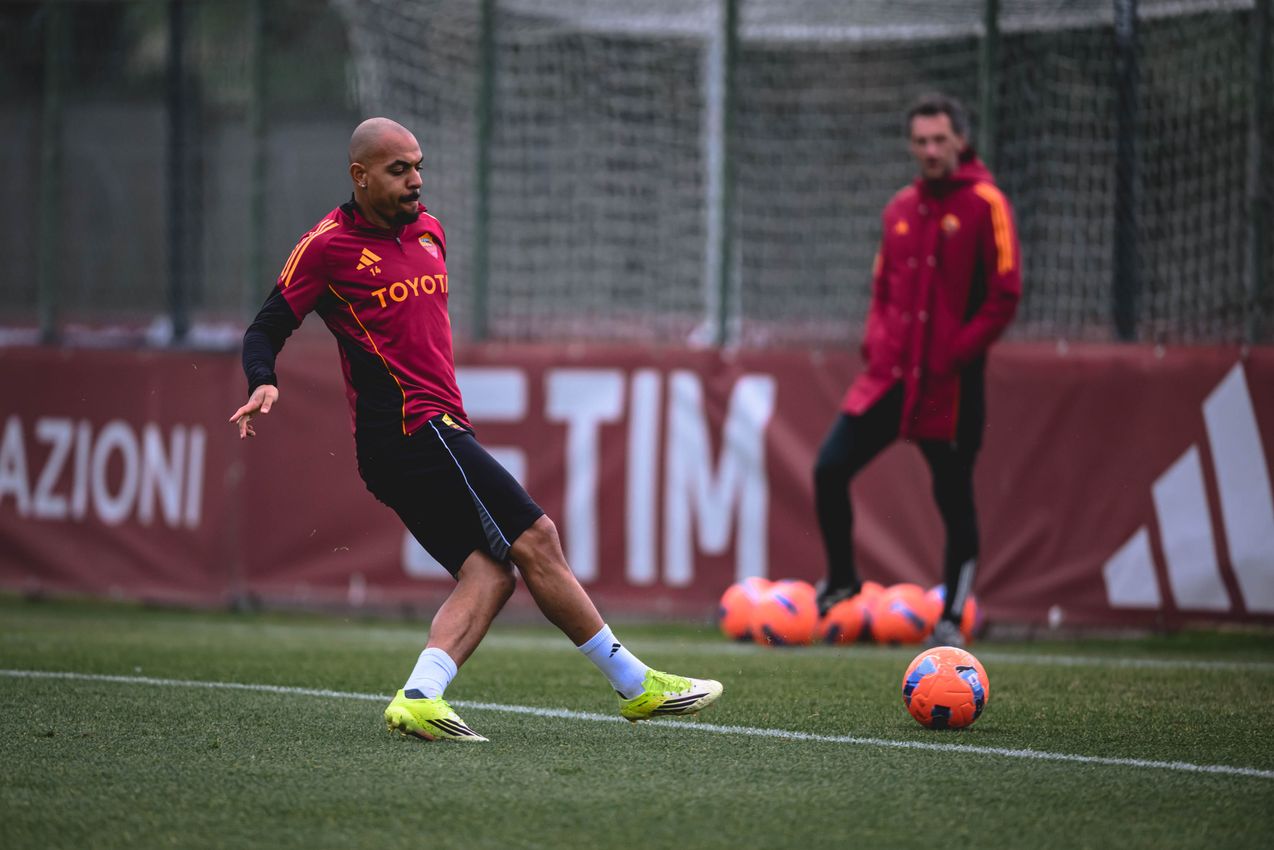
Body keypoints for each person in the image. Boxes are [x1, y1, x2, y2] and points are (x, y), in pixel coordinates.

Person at [230, 117, 722, 742]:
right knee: (536, 537)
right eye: (398, 170)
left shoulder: (430, 231)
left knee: (490, 572)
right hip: (411, 427)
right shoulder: (326, 247)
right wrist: (262, 379)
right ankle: (636, 685)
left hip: (426, 433)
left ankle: (419, 696)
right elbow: (264, 328)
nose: (416, 181)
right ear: (359, 175)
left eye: (419, 166)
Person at [813, 94, 1021, 647]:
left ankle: (952, 612)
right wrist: (875, 344)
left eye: (939, 140)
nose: (930, 150)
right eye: (920, 141)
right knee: (829, 468)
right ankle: (841, 578)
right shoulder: (900, 208)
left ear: (959, 141)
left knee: (953, 498)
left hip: (949, 388)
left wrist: (957, 352)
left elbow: (1005, 294)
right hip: (890, 379)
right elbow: (881, 290)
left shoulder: (985, 204)